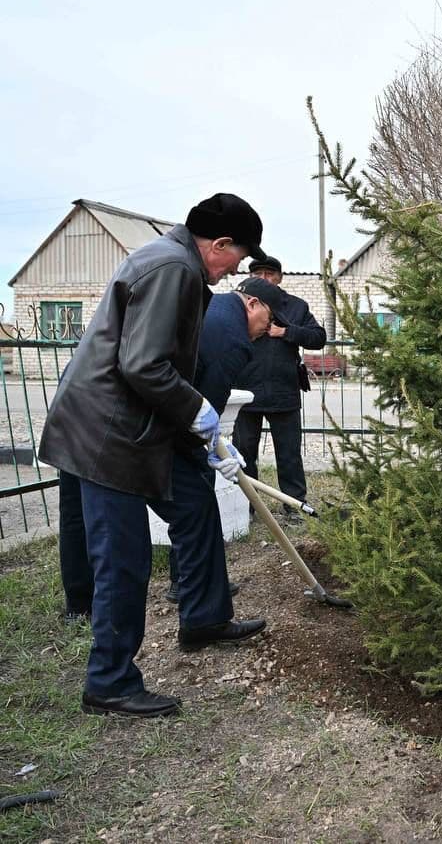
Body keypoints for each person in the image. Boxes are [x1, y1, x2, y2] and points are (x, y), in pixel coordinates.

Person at [39, 193, 270, 718]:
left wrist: (206, 443)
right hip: (108, 436)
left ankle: (205, 618)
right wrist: (200, 414)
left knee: (194, 506)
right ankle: (110, 682)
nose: (238, 270)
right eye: (239, 257)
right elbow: (143, 366)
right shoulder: (173, 268)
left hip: (137, 426)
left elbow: (160, 362)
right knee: (123, 561)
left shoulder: (176, 264)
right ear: (220, 244)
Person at [163, 277, 287, 604]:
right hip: (171, 425)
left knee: (192, 504)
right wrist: (211, 448)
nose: (268, 328)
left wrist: (216, 443)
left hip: (169, 414)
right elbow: (209, 404)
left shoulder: (214, 306)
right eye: (269, 319)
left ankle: (195, 581)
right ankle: (196, 586)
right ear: (252, 304)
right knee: (197, 504)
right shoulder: (234, 339)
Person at [232, 256, 327, 518]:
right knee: (243, 453)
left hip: (283, 390)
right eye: (257, 273)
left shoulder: (295, 306)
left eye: (269, 273)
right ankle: (246, 507)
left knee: (289, 454)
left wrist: (285, 332)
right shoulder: (238, 306)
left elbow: (318, 338)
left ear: (279, 278)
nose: (263, 278)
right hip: (245, 391)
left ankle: (294, 506)